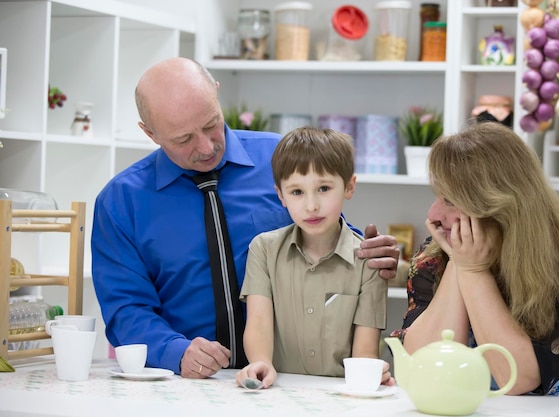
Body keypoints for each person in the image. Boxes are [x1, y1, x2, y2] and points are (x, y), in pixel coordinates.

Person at [91, 57, 399, 379]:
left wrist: (370, 254)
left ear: (217, 93)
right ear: (150, 133)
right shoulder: (120, 203)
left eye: (211, 123)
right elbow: (126, 309)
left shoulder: (279, 159)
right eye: (183, 139)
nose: (207, 146)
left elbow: (327, 235)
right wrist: (174, 351)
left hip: (287, 377)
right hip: (186, 381)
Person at [393, 122, 559, 416]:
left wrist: (474, 271)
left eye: (450, 200)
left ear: (499, 206)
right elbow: (420, 364)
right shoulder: (435, 255)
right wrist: (459, 264)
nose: (433, 215)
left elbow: (516, 378)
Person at [235, 127, 391, 389]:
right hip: (275, 392)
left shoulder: (368, 260)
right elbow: (259, 322)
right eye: (297, 192)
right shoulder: (263, 249)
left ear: (349, 186)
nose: (311, 206)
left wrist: (372, 373)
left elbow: (365, 350)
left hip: (341, 397)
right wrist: (260, 362)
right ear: (280, 195)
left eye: (324, 188)